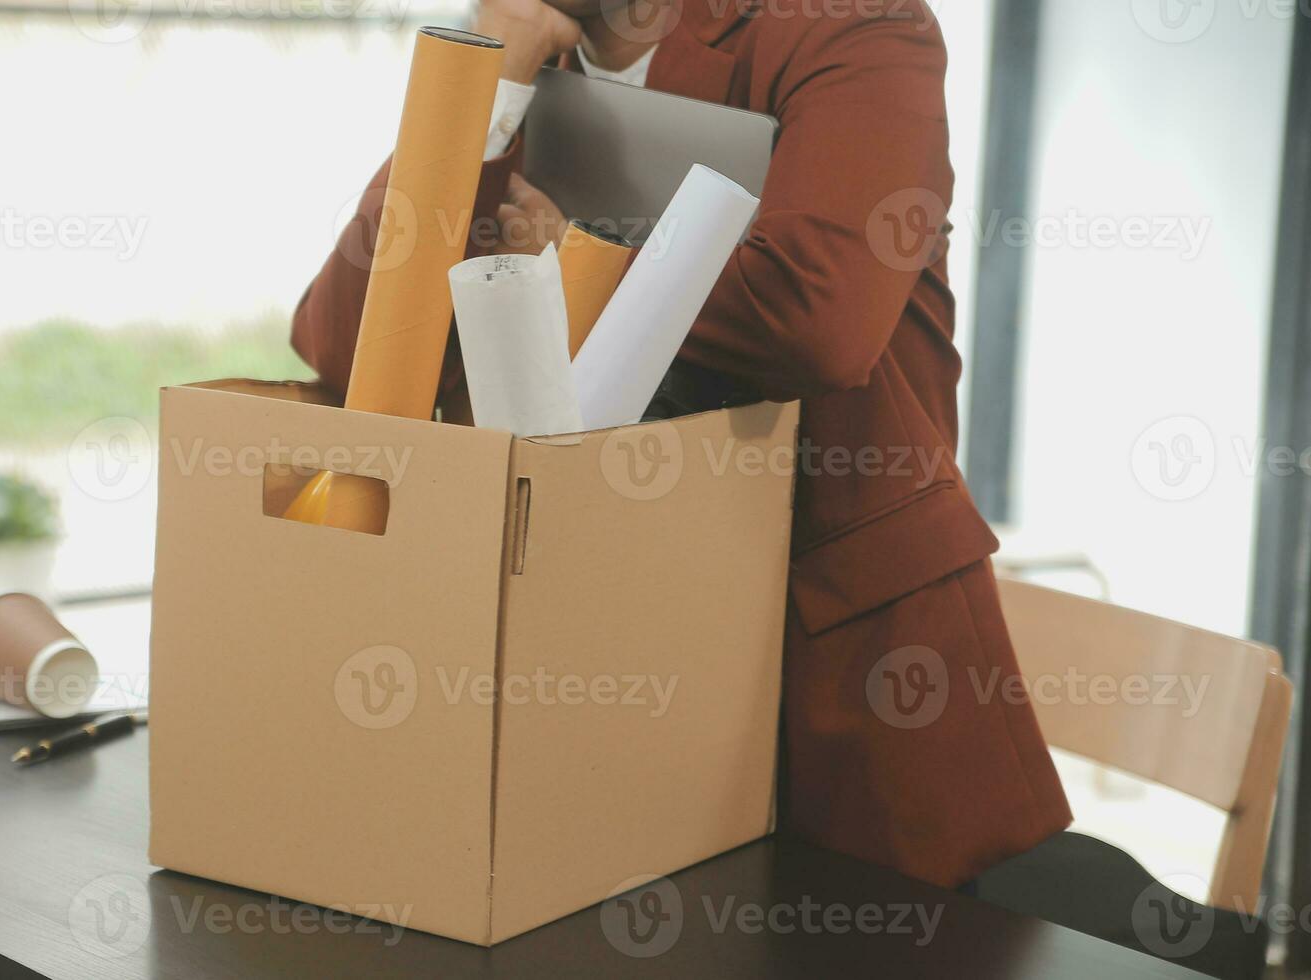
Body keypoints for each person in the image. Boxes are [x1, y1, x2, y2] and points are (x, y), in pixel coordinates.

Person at [291, 0, 1071, 889]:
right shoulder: (514, 47)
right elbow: (345, 349)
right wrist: (484, 83)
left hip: (829, 650)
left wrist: (574, 258)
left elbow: (817, 318)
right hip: (589, 643)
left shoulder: (855, 27)